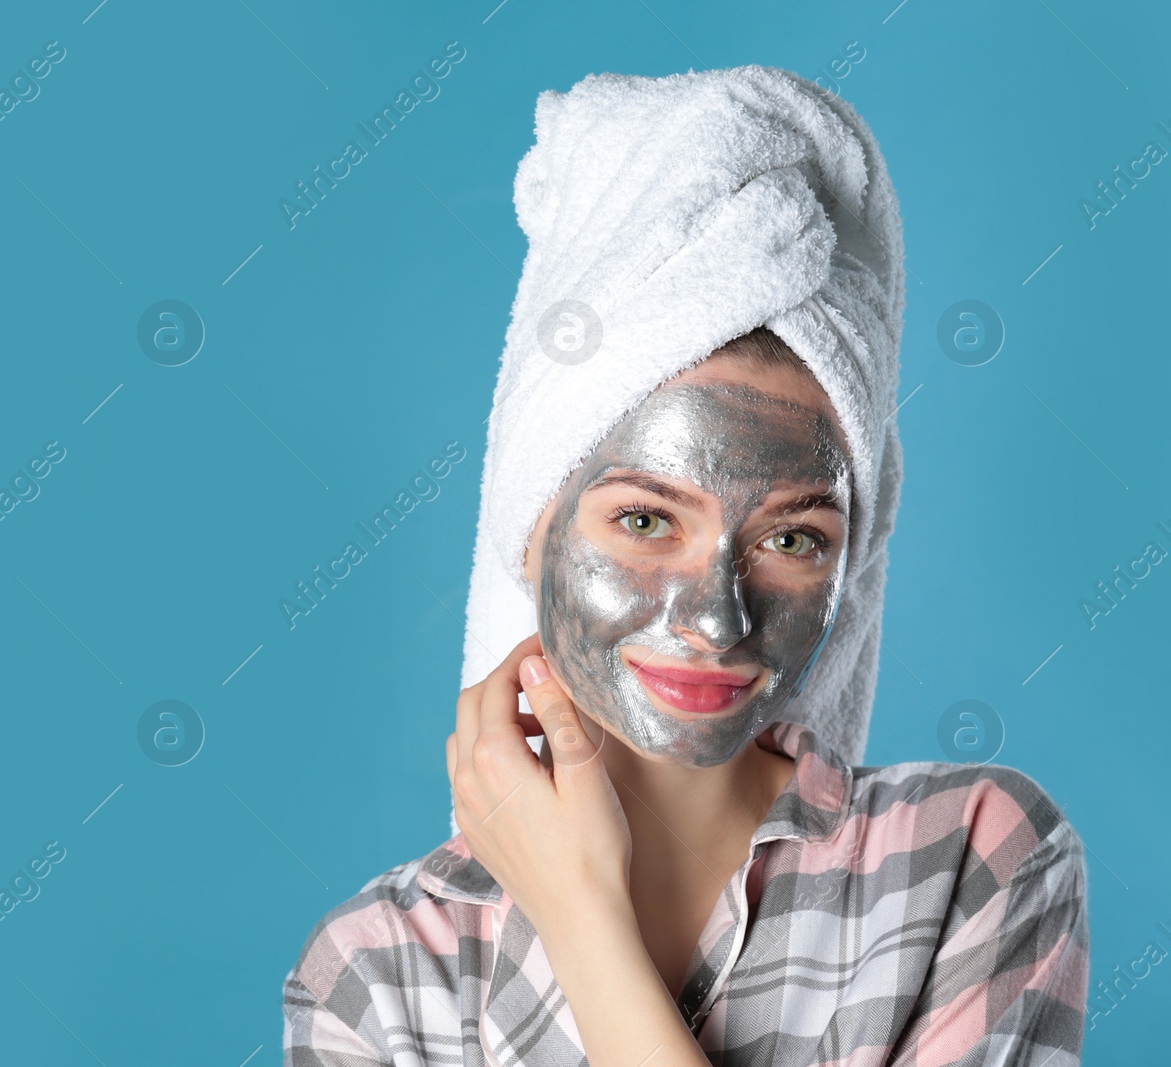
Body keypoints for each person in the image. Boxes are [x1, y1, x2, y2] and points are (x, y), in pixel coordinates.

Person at [281, 66, 1088, 1066]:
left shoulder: (974, 855)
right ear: (532, 526)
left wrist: (582, 922)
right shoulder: (379, 974)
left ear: (853, 564)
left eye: (791, 537)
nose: (715, 617)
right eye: (646, 519)